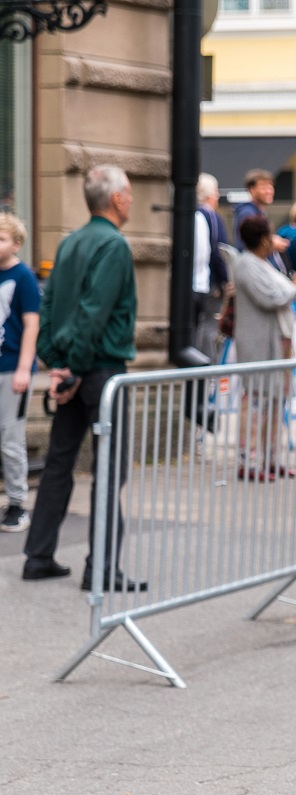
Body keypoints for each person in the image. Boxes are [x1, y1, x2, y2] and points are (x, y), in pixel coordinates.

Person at [23, 166, 144, 589]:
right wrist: (72, 367)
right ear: (115, 199)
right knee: (109, 470)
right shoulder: (113, 246)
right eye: (127, 192)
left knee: (59, 463)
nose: (131, 199)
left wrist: (57, 362)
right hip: (100, 370)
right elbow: (94, 313)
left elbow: (51, 303)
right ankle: (103, 569)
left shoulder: (71, 241)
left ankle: (38, 555)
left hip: (75, 367)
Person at [232, 215, 296, 481]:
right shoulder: (246, 265)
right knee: (257, 400)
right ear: (262, 239)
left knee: (276, 401)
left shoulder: (261, 263)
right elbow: (272, 297)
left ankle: (271, 457)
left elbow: (281, 290)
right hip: (259, 343)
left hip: (277, 342)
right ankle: (248, 460)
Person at [0, 213, 40, 533]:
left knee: (10, 438)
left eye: (1, 239)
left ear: (16, 244)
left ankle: (17, 503)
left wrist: (24, 368)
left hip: (12, 369)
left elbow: (31, 325)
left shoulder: (23, 277)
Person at [191, 173, 230, 361]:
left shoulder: (194, 214)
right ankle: (206, 367)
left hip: (194, 283)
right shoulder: (211, 216)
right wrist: (225, 279)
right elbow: (219, 251)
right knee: (209, 326)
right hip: (209, 283)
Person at [234, 168, 287, 271]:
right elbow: (249, 245)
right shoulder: (248, 214)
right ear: (251, 190)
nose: (269, 191)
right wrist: (272, 244)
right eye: (263, 187)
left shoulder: (256, 213)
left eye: (270, 186)